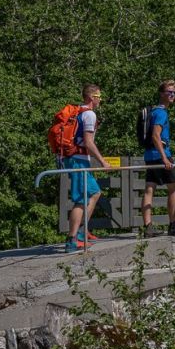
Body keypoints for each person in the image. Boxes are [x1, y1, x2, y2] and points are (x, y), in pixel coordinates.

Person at [61, 84, 107, 251]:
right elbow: (88, 143)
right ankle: (71, 240)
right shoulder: (89, 114)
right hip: (78, 160)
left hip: (76, 159)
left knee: (95, 192)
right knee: (81, 199)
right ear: (91, 98)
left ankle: (82, 231)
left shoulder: (79, 112)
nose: (100, 100)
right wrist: (103, 161)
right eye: (98, 97)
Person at [141, 79, 175, 236]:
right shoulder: (161, 113)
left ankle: (148, 227)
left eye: (174, 92)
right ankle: (173, 224)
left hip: (149, 155)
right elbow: (155, 136)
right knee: (173, 188)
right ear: (161, 94)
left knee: (149, 189)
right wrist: (165, 158)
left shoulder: (153, 111)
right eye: (169, 92)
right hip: (161, 155)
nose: (172, 95)